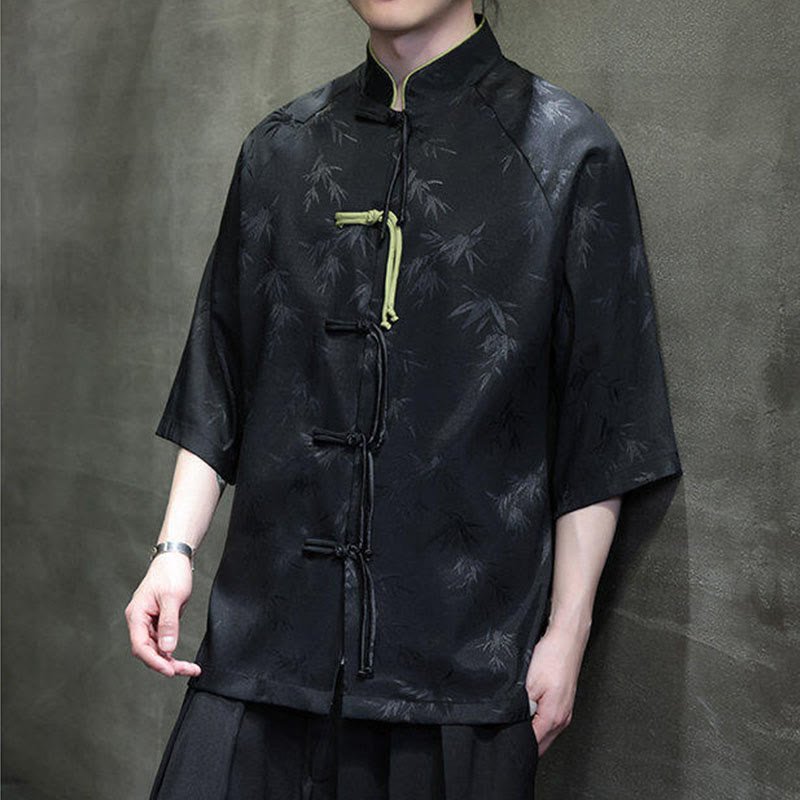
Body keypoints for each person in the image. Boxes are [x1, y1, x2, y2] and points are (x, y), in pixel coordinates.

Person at [126, 1, 684, 797]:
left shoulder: (568, 153)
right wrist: (173, 553)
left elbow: (604, 423)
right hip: (264, 654)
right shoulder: (279, 149)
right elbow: (220, 376)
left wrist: (570, 629)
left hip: (459, 676)